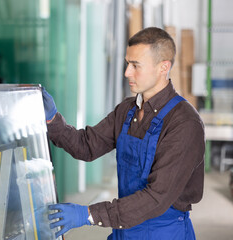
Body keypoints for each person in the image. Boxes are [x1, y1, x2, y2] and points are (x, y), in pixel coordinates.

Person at [43, 27, 205, 240]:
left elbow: (155, 198)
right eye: (128, 63)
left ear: (163, 67)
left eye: (135, 65)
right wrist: (52, 120)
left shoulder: (184, 123)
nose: (127, 72)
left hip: (164, 233)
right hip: (125, 228)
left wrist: (89, 214)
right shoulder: (127, 110)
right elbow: (86, 146)